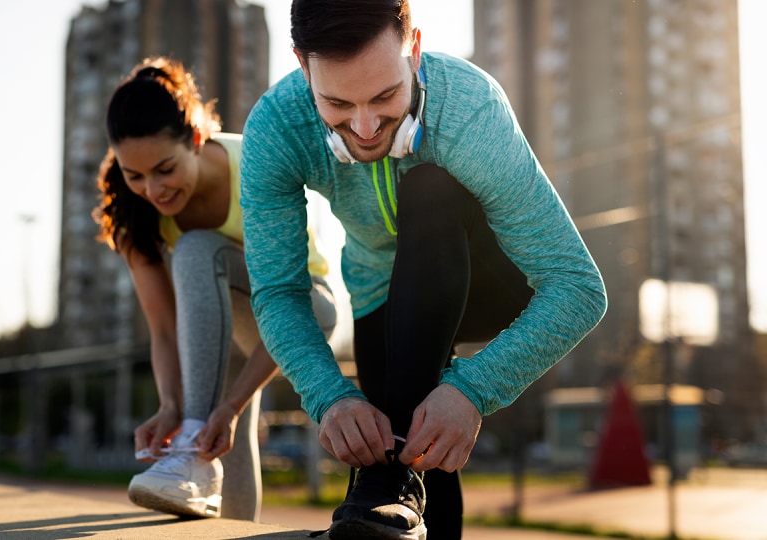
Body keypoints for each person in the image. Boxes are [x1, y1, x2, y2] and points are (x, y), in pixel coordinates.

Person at [239, 1, 608, 539]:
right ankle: (394, 495)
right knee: (406, 442)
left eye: (385, 96)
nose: (364, 128)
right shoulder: (276, 128)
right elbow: (278, 291)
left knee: (428, 187)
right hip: (378, 292)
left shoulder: (468, 107)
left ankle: (382, 486)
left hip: (492, 279)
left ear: (413, 49)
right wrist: (330, 397)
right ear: (302, 65)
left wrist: (473, 390)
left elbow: (577, 287)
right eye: (337, 103)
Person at [93, 56, 337, 522]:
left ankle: (191, 437)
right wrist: (171, 404)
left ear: (197, 139)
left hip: (306, 309)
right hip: (231, 317)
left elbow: (287, 303)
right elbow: (164, 331)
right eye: (134, 175)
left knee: (194, 249)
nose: (153, 190)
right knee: (224, 440)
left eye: (165, 169)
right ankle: (205, 473)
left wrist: (230, 402)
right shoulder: (134, 215)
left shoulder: (255, 165)